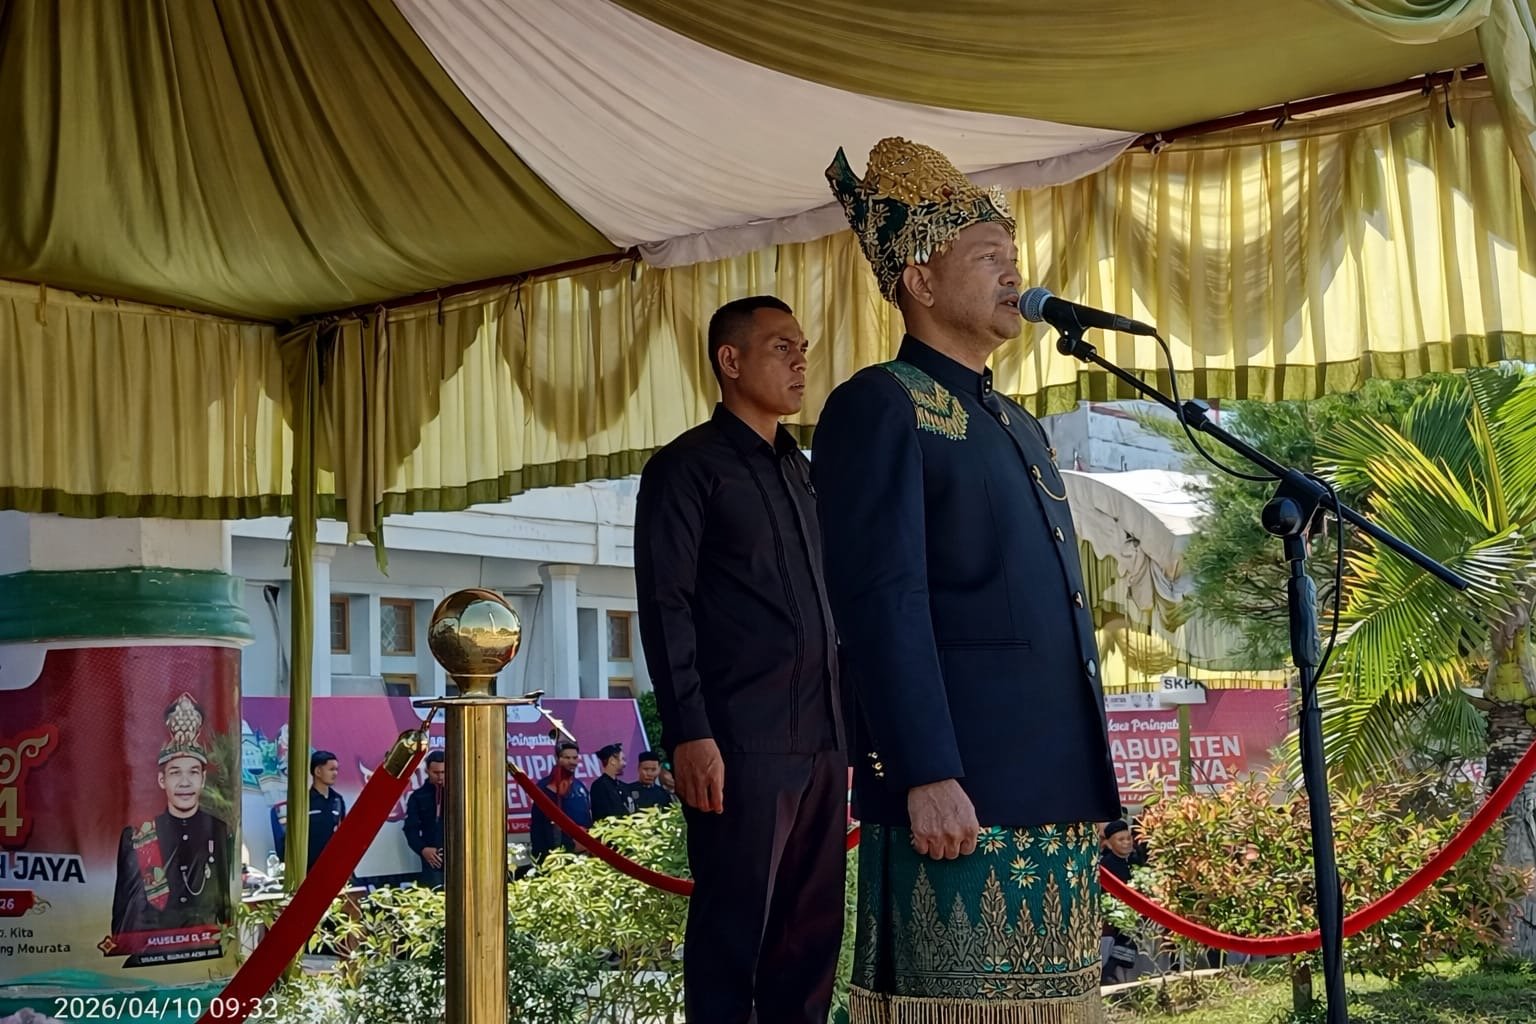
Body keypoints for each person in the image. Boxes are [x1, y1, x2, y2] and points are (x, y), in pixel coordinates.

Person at [816, 137, 1120, 1021]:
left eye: (1011, 256)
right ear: (918, 278)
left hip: (1051, 788)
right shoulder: (881, 403)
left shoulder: (1017, 422)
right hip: (960, 791)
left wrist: (1096, 785)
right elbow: (882, 604)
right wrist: (925, 772)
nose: (1011, 273)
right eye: (987, 257)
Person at [636, 295, 846, 1024]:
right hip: (739, 742)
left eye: (803, 347)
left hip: (823, 738)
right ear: (730, 360)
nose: (801, 361)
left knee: (810, 941)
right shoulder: (686, 468)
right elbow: (665, 606)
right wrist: (690, 732)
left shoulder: (803, 472)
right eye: (782, 347)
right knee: (735, 939)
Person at [111, 693, 233, 940]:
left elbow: (224, 902)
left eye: (193, 772)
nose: (185, 782)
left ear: (202, 779)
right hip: (152, 949)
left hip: (203, 946)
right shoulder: (138, 836)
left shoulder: (218, 830)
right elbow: (123, 913)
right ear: (162, 780)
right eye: (175, 773)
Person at [529, 741, 593, 862]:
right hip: (556, 857)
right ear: (557, 758)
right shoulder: (545, 788)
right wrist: (570, 845)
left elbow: (587, 818)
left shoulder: (580, 786)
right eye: (567, 758)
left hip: (583, 855)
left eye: (575, 758)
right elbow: (541, 827)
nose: (572, 762)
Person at [1100, 820, 1140, 984]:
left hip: (1137, 911)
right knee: (1127, 932)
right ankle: (1108, 971)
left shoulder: (1137, 860)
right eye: (1121, 840)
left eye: (1128, 838)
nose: (1126, 843)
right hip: (1113, 912)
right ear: (1110, 844)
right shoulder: (1105, 865)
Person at [403, 750, 446, 887]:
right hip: (433, 860)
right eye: (436, 773)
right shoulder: (418, 797)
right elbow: (410, 829)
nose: (440, 777)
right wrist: (423, 849)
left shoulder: (461, 794)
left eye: (443, 772)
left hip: (461, 857)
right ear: (427, 771)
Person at [306, 750, 347, 871]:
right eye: (331, 769)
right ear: (318, 771)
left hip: (333, 866)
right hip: (308, 867)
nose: (335, 773)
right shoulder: (304, 801)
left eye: (337, 769)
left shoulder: (338, 800)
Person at [589, 742, 633, 821]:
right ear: (612, 761)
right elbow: (602, 815)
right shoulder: (599, 786)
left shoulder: (623, 786)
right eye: (622, 759)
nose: (625, 764)